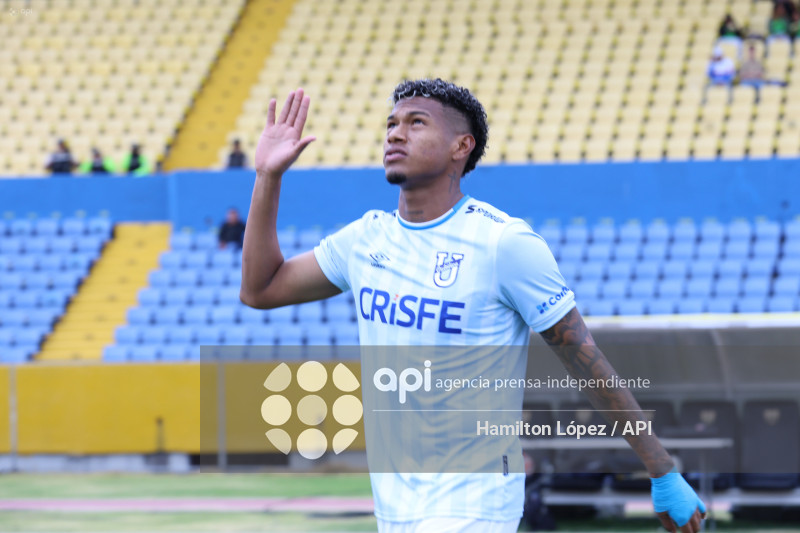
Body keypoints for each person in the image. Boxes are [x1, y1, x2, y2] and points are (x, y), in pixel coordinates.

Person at [240, 81, 707, 533]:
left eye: (416, 123)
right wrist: (268, 177)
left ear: (460, 146)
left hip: (474, 499)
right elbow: (261, 289)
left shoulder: (503, 243)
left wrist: (661, 470)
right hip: (395, 503)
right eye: (391, 123)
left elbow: (586, 361)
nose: (395, 134)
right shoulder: (365, 239)